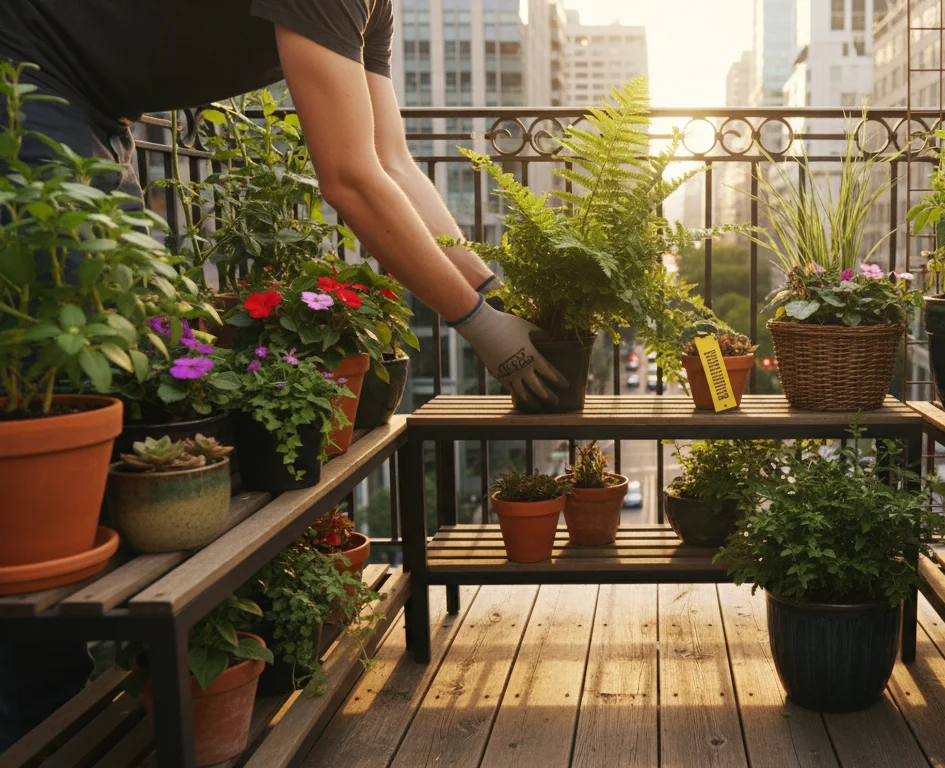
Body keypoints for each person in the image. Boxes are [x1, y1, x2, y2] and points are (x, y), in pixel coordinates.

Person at [0, 0, 564, 748]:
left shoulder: (377, 8)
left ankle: (63, 691)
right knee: (66, 388)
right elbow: (350, 177)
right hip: (26, 69)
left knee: (124, 363)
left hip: (91, 99)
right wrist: (479, 326)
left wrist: (491, 293)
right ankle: (34, 719)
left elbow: (393, 162)